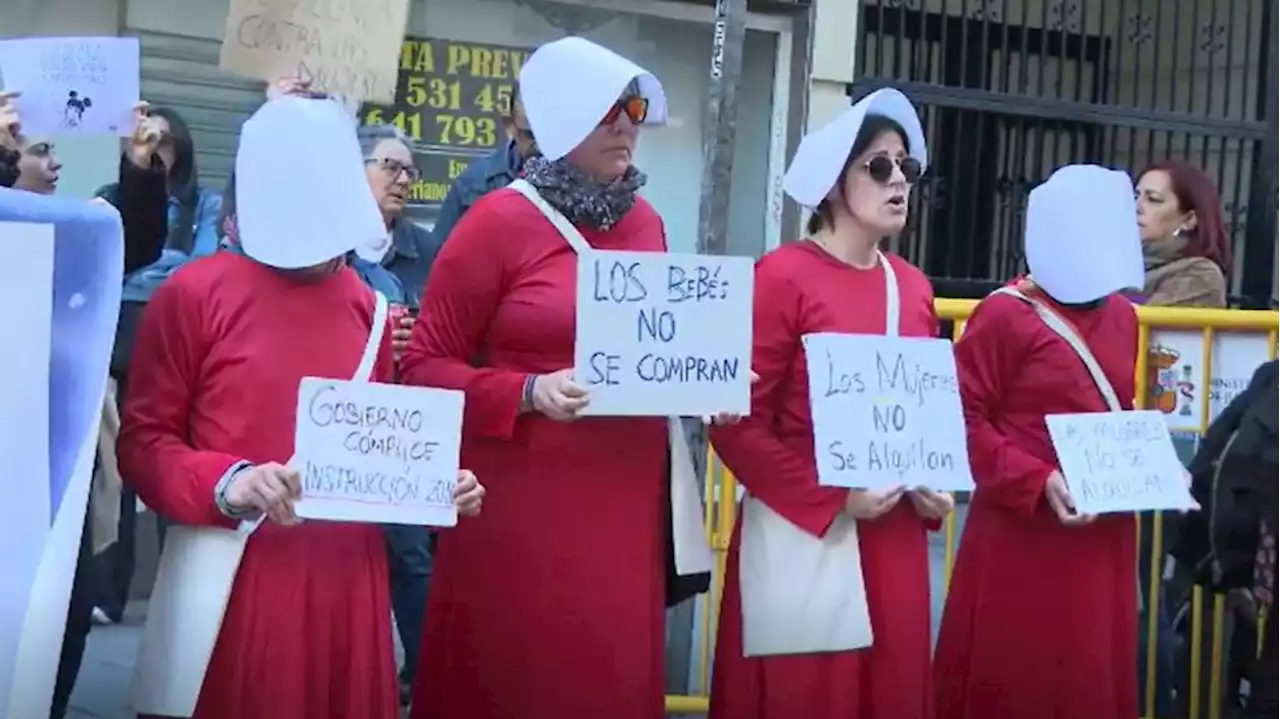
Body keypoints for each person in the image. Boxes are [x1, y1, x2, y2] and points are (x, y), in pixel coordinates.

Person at [117, 94, 485, 719]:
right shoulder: (191, 296)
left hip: (349, 586)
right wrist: (228, 482)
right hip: (228, 579)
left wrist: (429, 485)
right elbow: (143, 444)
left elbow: (374, 443)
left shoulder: (371, 309)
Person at [400, 36, 720, 719]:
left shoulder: (649, 224)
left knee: (604, 681)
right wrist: (524, 392)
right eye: (612, 109)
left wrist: (707, 380)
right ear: (566, 116)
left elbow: (656, 351)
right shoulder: (494, 223)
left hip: (624, 514)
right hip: (520, 516)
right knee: (519, 681)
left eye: (635, 107)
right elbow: (423, 363)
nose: (629, 122)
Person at [704, 88, 951, 719]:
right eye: (879, 166)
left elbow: (922, 418)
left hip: (891, 535)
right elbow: (736, 426)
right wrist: (832, 498)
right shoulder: (783, 277)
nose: (899, 181)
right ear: (836, 183)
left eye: (907, 168)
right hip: (805, 530)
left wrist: (935, 489)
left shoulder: (914, 288)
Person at [932, 165, 1147, 719]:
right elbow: (959, 417)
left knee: (1089, 674)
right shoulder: (1003, 314)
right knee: (1018, 673)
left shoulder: (1125, 316)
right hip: (1024, 530)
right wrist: (1035, 478)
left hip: (1101, 530)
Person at [1131, 160, 1232, 717]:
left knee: (1145, 597)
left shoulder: (1199, 276)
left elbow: (1131, 328)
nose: (1137, 210)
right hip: (1114, 442)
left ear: (1187, 218)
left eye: (1152, 200)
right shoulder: (1117, 264)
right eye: (1136, 197)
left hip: (1163, 451)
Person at [353, 119, 443, 705]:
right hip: (341, 420)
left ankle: (426, 674)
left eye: (410, 170)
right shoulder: (323, 246)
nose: (404, 179)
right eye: (391, 166)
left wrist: (417, 343)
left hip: (404, 424)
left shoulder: (425, 250)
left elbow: (446, 332)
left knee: (411, 554)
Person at [430, 82, 537, 247]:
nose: (539, 146)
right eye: (530, 135)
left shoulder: (581, 174)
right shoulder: (475, 182)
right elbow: (440, 253)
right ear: (511, 125)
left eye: (547, 136)